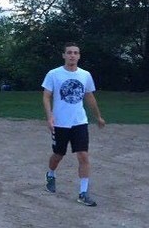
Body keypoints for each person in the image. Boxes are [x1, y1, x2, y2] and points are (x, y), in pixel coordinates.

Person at [42, 42, 106, 206]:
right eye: (69, 52)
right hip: (60, 123)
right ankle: (51, 173)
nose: (72, 55)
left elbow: (89, 97)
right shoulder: (54, 74)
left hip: (79, 122)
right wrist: (49, 116)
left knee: (83, 155)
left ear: (79, 56)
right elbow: (46, 96)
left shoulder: (85, 75)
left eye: (75, 53)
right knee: (58, 155)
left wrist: (98, 116)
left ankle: (83, 193)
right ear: (64, 55)